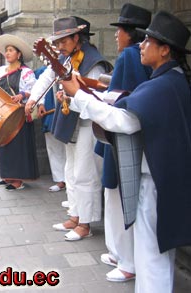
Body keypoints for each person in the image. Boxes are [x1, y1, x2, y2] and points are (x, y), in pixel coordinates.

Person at [59, 10, 191, 293]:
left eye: (148, 42)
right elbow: (126, 103)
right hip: (162, 180)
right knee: (155, 253)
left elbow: (124, 121)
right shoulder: (172, 80)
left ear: (165, 50)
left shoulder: (165, 84)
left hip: (156, 183)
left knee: (151, 255)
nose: (140, 45)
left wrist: (78, 95)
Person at [26, 17, 113, 241]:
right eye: (57, 42)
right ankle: (74, 215)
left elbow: (94, 100)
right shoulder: (66, 58)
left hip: (87, 123)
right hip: (70, 121)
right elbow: (48, 76)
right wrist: (33, 99)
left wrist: (68, 97)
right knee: (71, 171)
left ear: (77, 38)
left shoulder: (94, 62)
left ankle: (86, 223)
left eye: (63, 41)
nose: (59, 47)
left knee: (85, 174)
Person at [93, 3, 152, 283]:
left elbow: (119, 99)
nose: (116, 35)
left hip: (120, 137)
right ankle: (119, 253)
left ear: (132, 34)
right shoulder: (135, 56)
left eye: (120, 30)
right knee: (116, 196)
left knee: (117, 196)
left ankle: (126, 260)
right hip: (124, 135)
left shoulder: (130, 56)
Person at [0, 34, 39, 190]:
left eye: (11, 50)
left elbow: (35, 91)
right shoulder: (1, 71)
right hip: (4, 113)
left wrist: (22, 95)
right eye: (6, 50)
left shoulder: (26, 72)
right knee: (4, 144)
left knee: (17, 146)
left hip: (19, 114)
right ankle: (8, 176)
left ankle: (18, 180)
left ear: (19, 54)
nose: (7, 53)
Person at [33, 65, 66, 193]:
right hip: (50, 109)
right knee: (53, 145)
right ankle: (60, 180)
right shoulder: (43, 71)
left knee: (69, 147)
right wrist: (40, 103)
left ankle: (71, 182)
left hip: (67, 109)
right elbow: (41, 87)